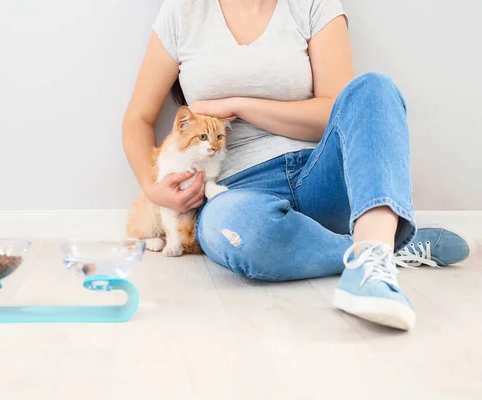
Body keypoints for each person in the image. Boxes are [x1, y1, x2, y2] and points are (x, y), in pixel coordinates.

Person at [122, 0, 473, 331]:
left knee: (375, 88)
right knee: (244, 231)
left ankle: (371, 267)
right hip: (236, 190)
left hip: (318, 172)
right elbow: (138, 117)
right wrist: (154, 190)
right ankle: (378, 246)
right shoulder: (184, 11)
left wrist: (239, 105)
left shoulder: (312, 4)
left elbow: (335, 112)